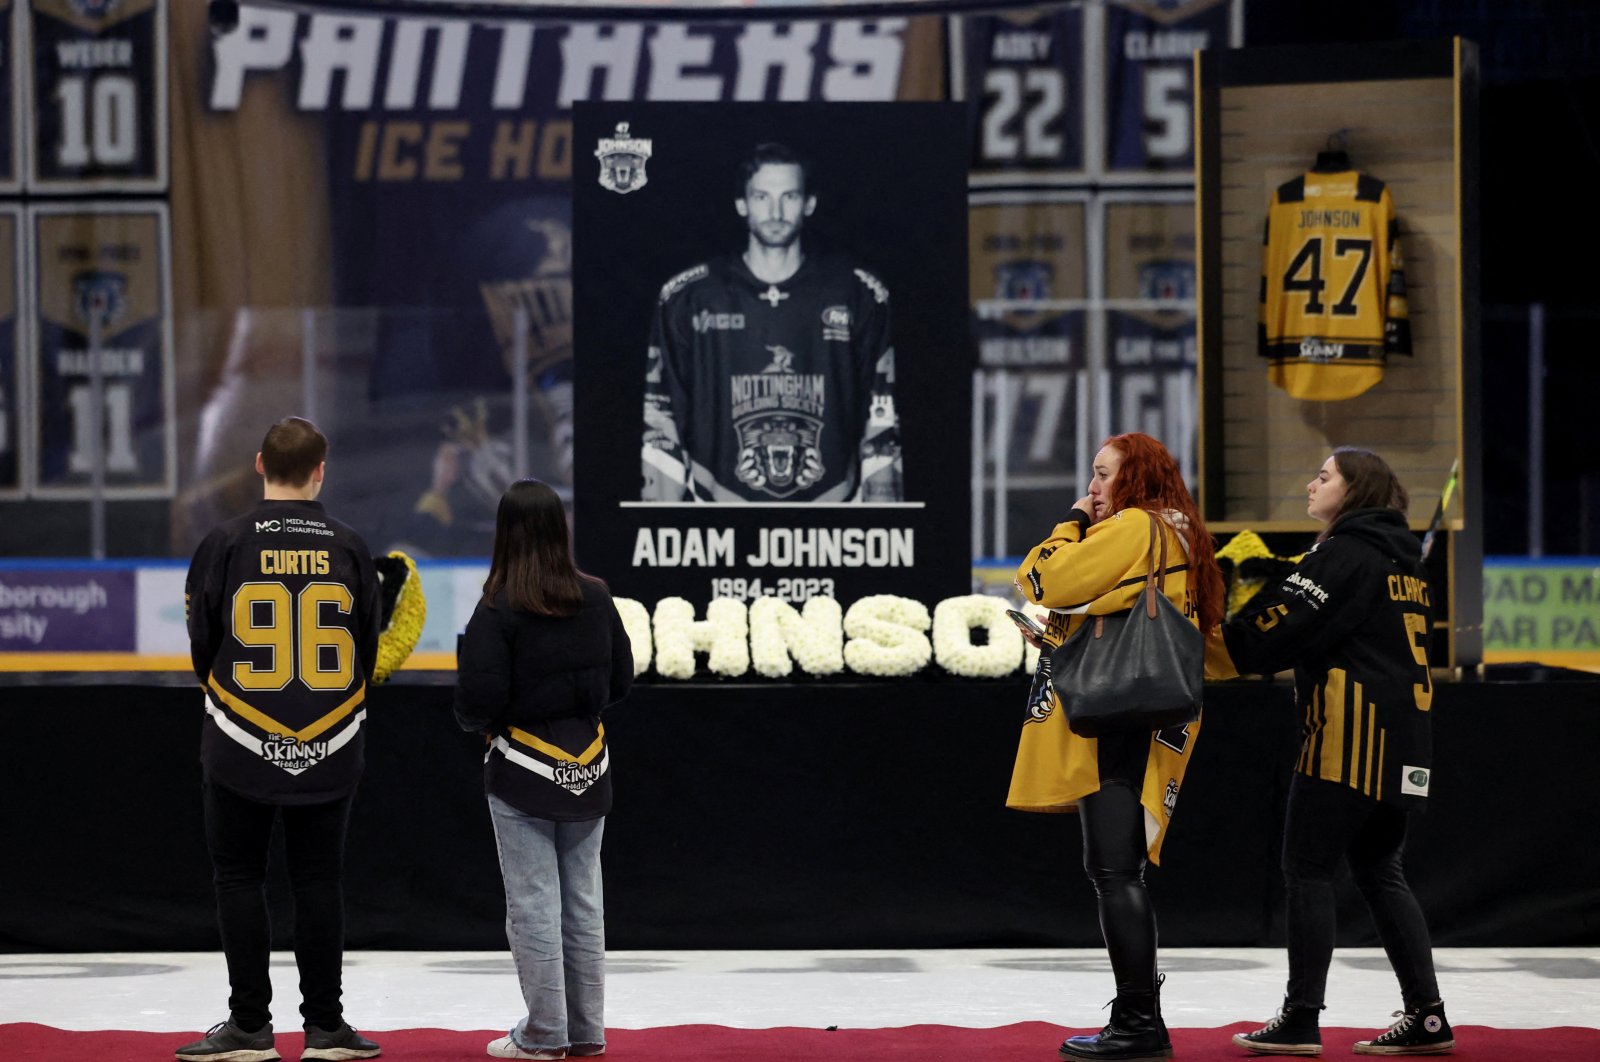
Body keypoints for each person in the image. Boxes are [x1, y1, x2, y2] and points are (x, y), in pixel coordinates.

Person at [1213, 447, 1453, 1056]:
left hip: (1352, 737)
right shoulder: (1401, 561)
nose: (1311, 485)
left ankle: (1301, 1018)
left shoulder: (1345, 552)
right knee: (1380, 871)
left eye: (1323, 476)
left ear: (1354, 491)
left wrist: (1211, 644)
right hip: (1406, 740)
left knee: (1308, 870)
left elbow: (1279, 623)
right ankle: (1427, 1016)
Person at [1009, 432, 1224, 1061]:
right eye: (1092, 477)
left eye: (1104, 476)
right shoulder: (1175, 528)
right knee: (1117, 870)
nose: (1093, 489)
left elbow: (1043, 578)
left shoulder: (1135, 526)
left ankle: (1138, 1021)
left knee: (1113, 872)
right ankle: (1138, 1015)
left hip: (1115, 714)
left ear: (1136, 480)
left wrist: (1070, 521)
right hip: (1142, 710)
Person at [180, 416, 383, 1062]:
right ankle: (325, 1028)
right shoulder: (350, 547)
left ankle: (249, 1027)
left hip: (238, 742)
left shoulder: (223, 543)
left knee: (239, 878)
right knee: (318, 880)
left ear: (260, 465)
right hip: (331, 743)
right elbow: (365, 651)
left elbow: (203, 648)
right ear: (321, 471)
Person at [455, 479, 634, 1061]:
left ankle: (544, 1035)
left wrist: (484, 722)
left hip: (521, 767)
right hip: (590, 763)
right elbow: (622, 682)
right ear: (561, 528)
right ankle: (586, 1033)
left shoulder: (498, 606)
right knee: (583, 902)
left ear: (504, 533)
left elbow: (475, 701)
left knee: (534, 903)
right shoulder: (598, 597)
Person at [640, 141, 903, 502]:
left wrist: (884, 523)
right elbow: (659, 416)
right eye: (762, 197)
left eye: (789, 196)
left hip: (833, 516)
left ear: (809, 203)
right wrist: (661, 523)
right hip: (718, 516)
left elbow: (882, 415)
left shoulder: (858, 293)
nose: (776, 211)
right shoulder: (689, 296)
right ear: (742, 204)